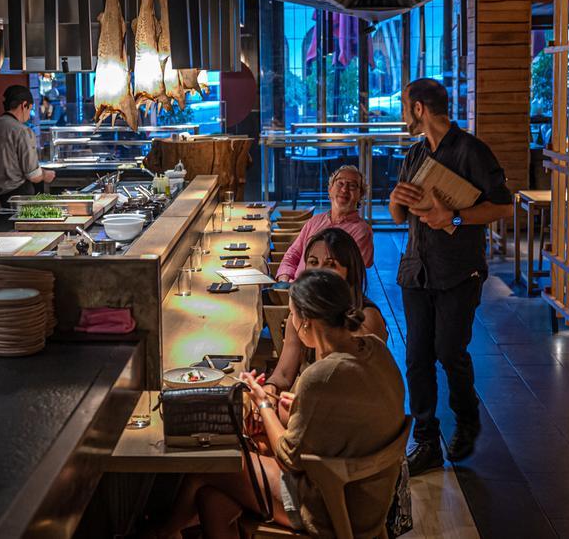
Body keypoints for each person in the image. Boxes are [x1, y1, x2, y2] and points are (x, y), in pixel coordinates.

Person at [150, 270, 405, 538]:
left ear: (306, 323)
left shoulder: (322, 376)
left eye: (292, 316)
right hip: (369, 500)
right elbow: (349, 413)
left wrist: (263, 404)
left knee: (212, 465)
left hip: (332, 506)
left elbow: (288, 458)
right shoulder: (374, 348)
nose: (290, 324)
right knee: (212, 498)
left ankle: (161, 533)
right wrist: (298, 407)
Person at [389, 78, 514, 475]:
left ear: (420, 109)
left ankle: (467, 418)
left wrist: (455, 216)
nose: (403, 113)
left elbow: (504, 207)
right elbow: (399, 216)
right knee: (416, 358)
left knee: (449, 351)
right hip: (417, 269)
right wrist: (394, 201)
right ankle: (426, 439)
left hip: (459, 270)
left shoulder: (472, 151)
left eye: (405, 106)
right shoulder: (414, 153)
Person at [265, 228, 387, 400]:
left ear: (349, 272)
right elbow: (284, 374)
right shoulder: (301, 313)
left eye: (331, 265)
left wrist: (274, 409)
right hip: (314, 402)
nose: (319, 272)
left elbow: (352, 392)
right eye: (313, 262)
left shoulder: (366, 319)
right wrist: (270, 388)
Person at [275, 165, 374, 282]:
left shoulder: (362, 231)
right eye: (340, 183)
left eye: (352, 186)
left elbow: (348, 279)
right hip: (293, 290)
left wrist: (300, 289)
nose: (344, 189)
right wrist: (284, 279)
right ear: (330, 190)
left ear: (360, 195)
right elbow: (292, 255)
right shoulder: (314, 222)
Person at [0, 85, 56, 231]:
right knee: (22, 249)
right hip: (17, 204)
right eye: (30, 109)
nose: (29, 114)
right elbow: (33, 174)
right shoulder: (22, 131)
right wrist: (46, 174)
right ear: (23, 105)